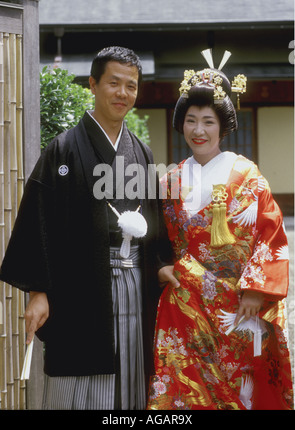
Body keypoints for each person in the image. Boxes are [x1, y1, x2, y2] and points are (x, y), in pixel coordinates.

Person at [0, 46, 171, 410]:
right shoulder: (62, 150)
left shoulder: (141, 153)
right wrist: (38, 291)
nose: (123, 93)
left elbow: (155, 223)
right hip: (78, 287)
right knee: (78, 377)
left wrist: (159, 264)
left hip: (134, 283)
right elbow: (38, 220)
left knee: (131, 372)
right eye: (113, 83)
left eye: (131, 86)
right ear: (92, 84)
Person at [147, 50, 294, 410]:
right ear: (181, 123)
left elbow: (271, 234)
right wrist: (160, 266)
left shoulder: (245, 174)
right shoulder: (170, 180)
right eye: (192, 120)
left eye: (209, 122)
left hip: (237, 304)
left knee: (240, 389)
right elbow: (155, 238)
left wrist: (257, 291)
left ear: (223, 127)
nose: (199, 131)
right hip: (185, 303)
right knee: (183, 391)